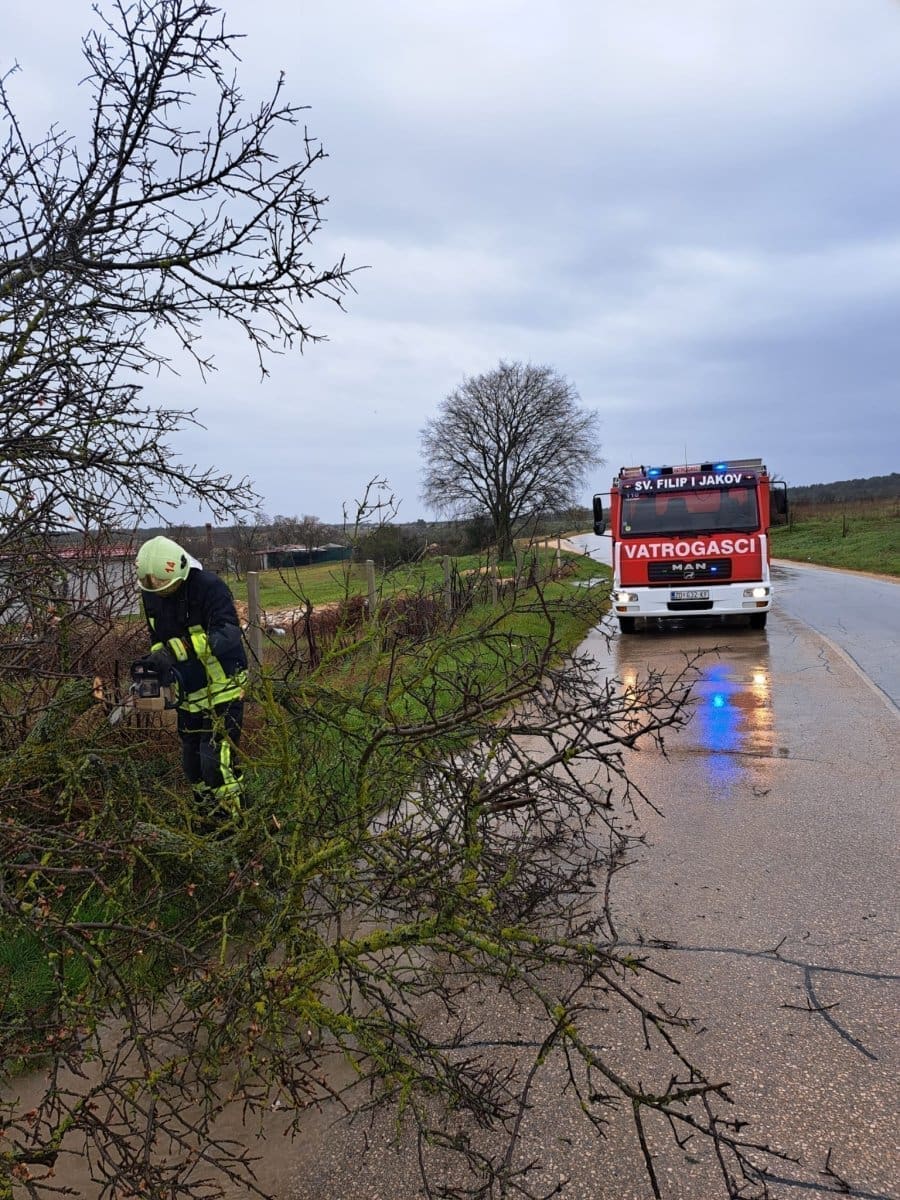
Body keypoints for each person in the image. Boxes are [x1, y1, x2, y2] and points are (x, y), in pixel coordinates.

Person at [135, 535, 248, 829]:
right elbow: (158, 639)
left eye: (165, 585)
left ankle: (236, 824)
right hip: (190, 691)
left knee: (216, 763)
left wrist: (176, 650)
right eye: (154, 587)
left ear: (179, 571)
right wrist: (156, 661)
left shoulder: (209, 588)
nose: (161, 592)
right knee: (193, 765)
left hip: (223, 686)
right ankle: (207, 818)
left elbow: (227, 634)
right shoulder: (151, 595)